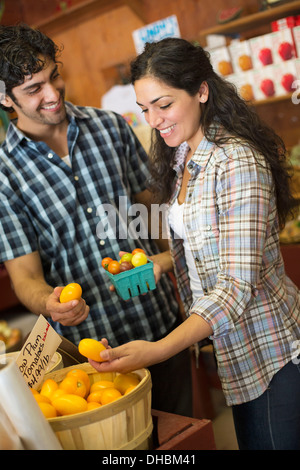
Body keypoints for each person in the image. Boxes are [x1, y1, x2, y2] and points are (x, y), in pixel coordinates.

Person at [89, 38, 300, 450]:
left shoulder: (237, 162)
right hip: (233, 355)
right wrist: (163, 263)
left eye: (164, 105)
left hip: (270, 354)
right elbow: (205, 240)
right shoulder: (182, 155)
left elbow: (237, 284)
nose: (153, 120)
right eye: (145, 108)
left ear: (201, 90)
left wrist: (158, 350)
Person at [0, 25, 193, 417]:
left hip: (160, 324)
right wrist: (50, 304)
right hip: (94, 358)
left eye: (53, 76)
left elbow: (151, 210)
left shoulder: (109, 126)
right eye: (33, 89)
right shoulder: (4, 176)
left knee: (184, 434)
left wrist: (171, 262)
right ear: (4, 98)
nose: (53, 94)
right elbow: (25, 278)